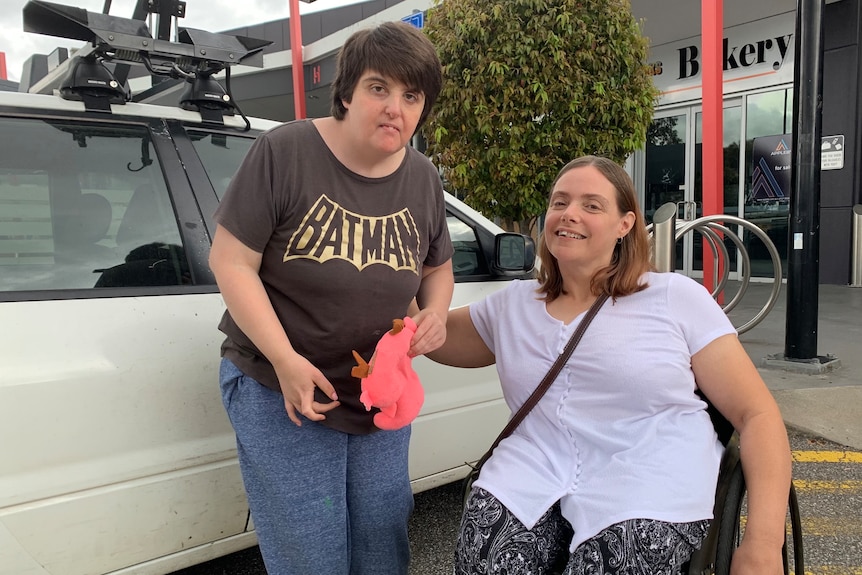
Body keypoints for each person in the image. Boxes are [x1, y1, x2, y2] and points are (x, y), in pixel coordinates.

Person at [428, 155, 792, 575]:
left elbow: (757, 414)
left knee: (613, 562)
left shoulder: (674, 298)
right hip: (532, 473)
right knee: (486, 559)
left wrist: (763, 543)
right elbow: (429, 334)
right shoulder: (513, 305)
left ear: (625, 225)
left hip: (648, 480)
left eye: (592, 205)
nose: (569, 214)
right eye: (559, 202)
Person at [208, 22, 453, 575]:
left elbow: (437, 269)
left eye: (411, 96)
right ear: (346, 93)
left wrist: (434, 312)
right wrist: (285, 360)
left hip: (377, 392)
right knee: (310, 551)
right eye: (378, 88)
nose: (395, 107)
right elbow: (231, 261)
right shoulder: (285, 151)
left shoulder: (423, 179)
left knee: (382, 540)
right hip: (283, 390)